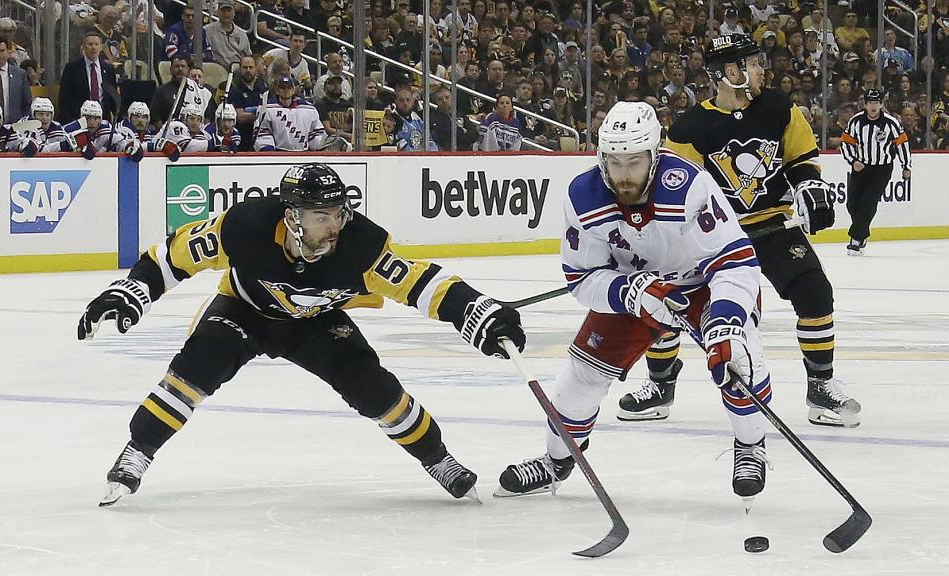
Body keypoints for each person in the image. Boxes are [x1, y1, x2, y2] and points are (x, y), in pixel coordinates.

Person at [78, 163, 526, 507]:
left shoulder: (359, 245)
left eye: (339, 212)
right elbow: (170, 257)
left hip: (314, 322)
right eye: (321, 216)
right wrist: (131, 290)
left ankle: (438, 459)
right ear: (292, 216)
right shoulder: (246, 227)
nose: (335, 225)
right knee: (191, 374)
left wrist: (476, 309)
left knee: (375, 390)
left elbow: (421, 282)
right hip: (245, 311)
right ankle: (137, 451)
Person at [496, 102, 773, 502]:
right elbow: (581, 279)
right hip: (636, 293)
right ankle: (556, 461)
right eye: (615, 162)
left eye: (634, 162)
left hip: (702, 288)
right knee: (579, 377)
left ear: (654, 155)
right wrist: (629, 291)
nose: (624, 175)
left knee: (739, 359)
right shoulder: (584, 196)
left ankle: (750, 446)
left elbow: (734, 262)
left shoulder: (689, 185)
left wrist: (726, 322)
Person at [619, 34, 861, 428]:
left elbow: (801, 155)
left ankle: (821, 387)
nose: (761, 69)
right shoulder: (690, 127)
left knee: (815, 293)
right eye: (752, 63)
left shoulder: (779, 108)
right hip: (716, 234)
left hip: (773, 225)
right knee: (668, 299)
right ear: (729, 73)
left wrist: (808, 185)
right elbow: (673, 186)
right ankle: (660, 385)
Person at [840, 89, 911, 256]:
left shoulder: (891, 123)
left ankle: (855, 240)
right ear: (864, 104)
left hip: (882, 169)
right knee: (852, 204)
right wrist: (853, 161)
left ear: (881, 104)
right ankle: (863, 233)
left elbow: (902, 144)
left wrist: (906, 166)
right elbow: (846, 143)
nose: (873, 106)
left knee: (868, 203)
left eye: (876, 102)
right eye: (870, 102)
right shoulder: (855, 121)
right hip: (861, 167)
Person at [254, 75, 326, 151]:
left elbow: (317, 133)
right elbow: (263, 133)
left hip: (304, 154)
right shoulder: (267, 108)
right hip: (279, 154)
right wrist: (269, 152)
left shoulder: (309, 109)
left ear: (293, 90)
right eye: (283, 88)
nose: (286, 90)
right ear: (277, 90)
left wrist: (318, 147)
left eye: (289, 88)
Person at [0, 35, 31, 125]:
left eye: (2, 51)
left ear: (8, 52)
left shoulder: (20, 74)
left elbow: (26, 104)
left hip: (15, 129)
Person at [205, 0, 252, 71]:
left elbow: (248, 55)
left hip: (237, 70)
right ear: (218, 12)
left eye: (229, 10)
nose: (226, 14)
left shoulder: (242, 33)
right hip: (217, 69)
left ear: (234, 13)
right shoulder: (207, 30)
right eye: (223, 11)